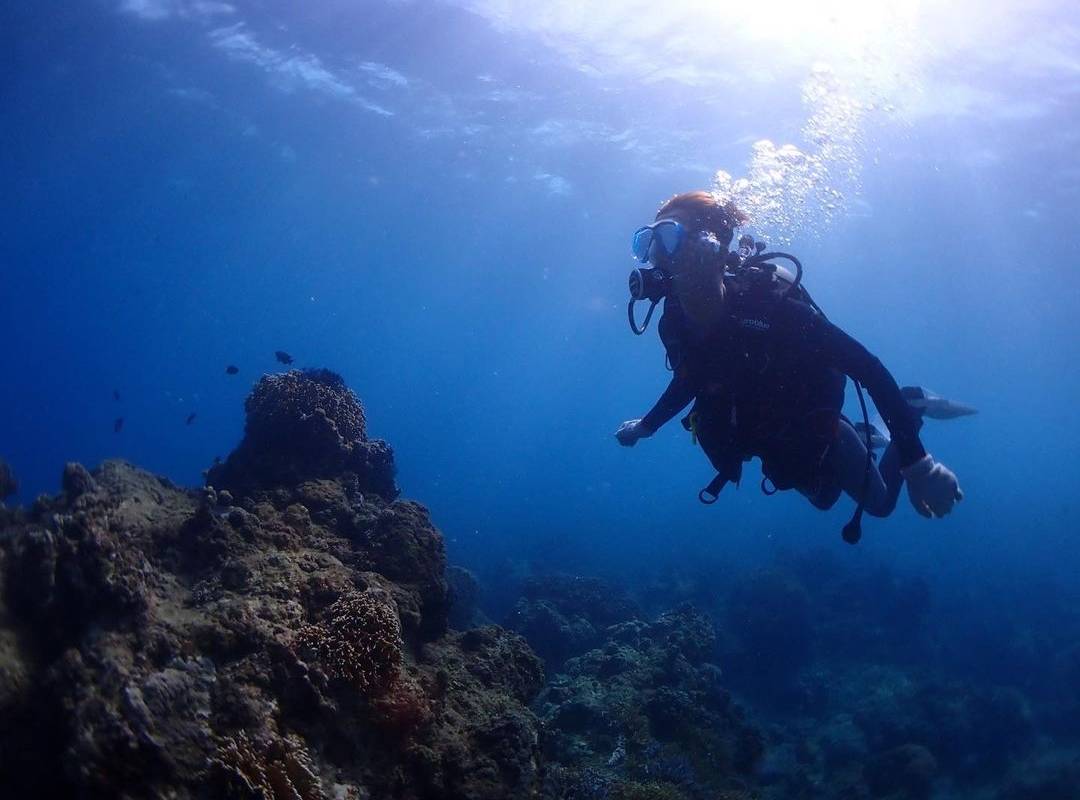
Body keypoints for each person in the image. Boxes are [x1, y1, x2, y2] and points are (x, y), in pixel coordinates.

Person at [615, 191, 965, 528]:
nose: (656, 254)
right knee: (824, 498)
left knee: (879, 504)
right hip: (773, 441)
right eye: (646, 243)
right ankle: (866, 435)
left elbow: (866, 368)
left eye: (667, 237)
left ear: (711, 245)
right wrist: (647, 426)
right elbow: (692, 376)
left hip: (813, 429)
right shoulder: (673, 322)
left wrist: (919, 465)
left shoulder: (773, 309)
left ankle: (910, 405)